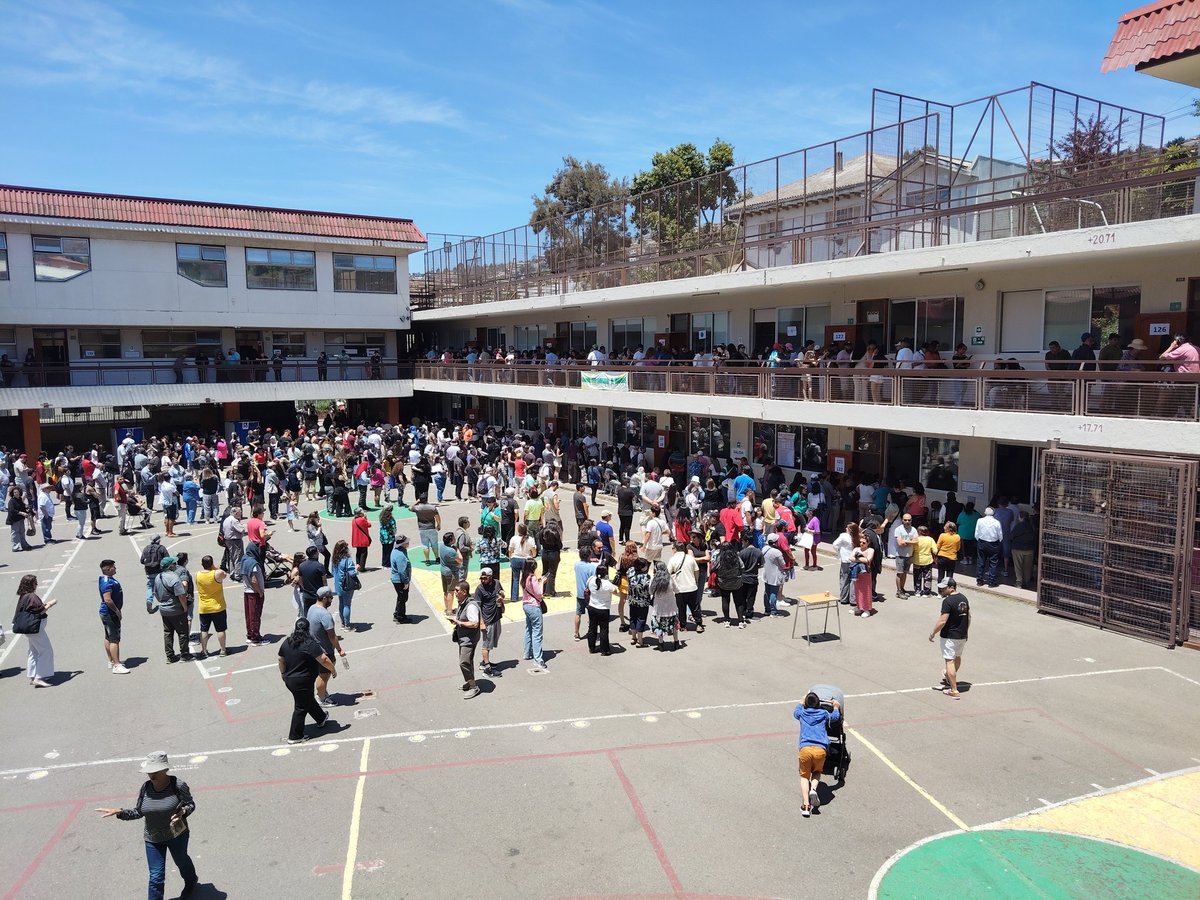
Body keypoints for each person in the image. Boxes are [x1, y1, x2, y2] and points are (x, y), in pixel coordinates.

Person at [95, 751, 199, 899]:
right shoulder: (146, 787)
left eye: (154, 770)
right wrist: (120, 812)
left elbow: (191, 804)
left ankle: (191, 881)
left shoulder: (178, 785)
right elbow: (138, 811)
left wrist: (183, 811)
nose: (151, 774)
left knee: (181, 861)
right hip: (153, 838)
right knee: (156, 877)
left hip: (177, 835)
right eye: (149, 771)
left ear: (164, 769)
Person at [276, 617, 337, 742]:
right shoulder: (310, 644)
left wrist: (283, 673)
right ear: (308, 629)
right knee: (301, 707)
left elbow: (280, 659)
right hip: (303, 681)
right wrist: (333, 669)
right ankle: (295, 736)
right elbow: (324, 659)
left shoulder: (287, 642)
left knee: (306, 698)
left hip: (290, 679)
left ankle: (321, 718)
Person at [794, 692, 841, 818]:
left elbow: (796, 711)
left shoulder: (802, 713)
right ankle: (813, 789)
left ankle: (806, 805)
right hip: (820, 749)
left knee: (804, 776)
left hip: (805, 749)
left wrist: (801, 701)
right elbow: (835, 717)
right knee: (817, 771)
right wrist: (836, 706)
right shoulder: (824, 714)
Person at [930, 577, 970, 699]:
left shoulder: (948, 601)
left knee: (949, 661)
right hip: (961, 636)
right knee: (957, 658)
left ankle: (953, 689)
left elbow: (942, 621)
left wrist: (933, 633)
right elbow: (969, 617)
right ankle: (949, 677)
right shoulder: (964, 598)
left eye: (944, 588)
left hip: (949, 636)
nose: (942, 589)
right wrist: (966, 631)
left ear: (951, 587)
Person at [14, 574, 56, 687]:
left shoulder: (23, 595)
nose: (37, 585)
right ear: (30, 584)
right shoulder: (32, 596)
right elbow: (40, 611)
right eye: (35, 583)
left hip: (28, 629)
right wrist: (51, 604)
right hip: (34, 629)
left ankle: (33, 675)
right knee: (46, 650)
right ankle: (39, 677)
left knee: (33, 651)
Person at [306, 590, 345, 707]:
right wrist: (339, 649)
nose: (332, 600)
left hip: (313, 647)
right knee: (324, 675)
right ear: (324, 598)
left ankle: (322, 693)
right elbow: (332, 636)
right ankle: (321, 699)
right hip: (324, 650)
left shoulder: (312, 608)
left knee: (321, 673)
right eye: (330, 598)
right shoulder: (325, 615)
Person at [153, 556, 192, 663]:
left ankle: (170, 656)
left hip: (164, 609)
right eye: (174, 563)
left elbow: (155, 593)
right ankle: (184, 654)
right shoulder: (174, 578)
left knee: (168, 633)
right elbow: (181, 596)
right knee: (183, 632)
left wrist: (162, 601)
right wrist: (184, 608)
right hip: (175, 609)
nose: (176, 565)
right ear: (171, 566)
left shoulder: (158, 577)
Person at [450, 580, 483, 699]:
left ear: (464, 592)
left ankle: (474, 687)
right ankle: (470, 682)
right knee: (468, 661)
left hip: (469, 639)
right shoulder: (462, 602)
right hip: (463, 637)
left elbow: (474, 624)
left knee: (464, 662)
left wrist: (458, 622)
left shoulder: (471, 606)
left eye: (457, 590)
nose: (455, 592)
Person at [99, 559, 130, 674]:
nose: (115, 568)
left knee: (108, 637)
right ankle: (117, 665)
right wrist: (117, 611)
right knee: (114, 639)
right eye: (113, 567)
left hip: (106, 613)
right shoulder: (108, 582)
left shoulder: (105, 579)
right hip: (110, 613)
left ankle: (111, 660)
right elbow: (107, 599)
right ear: (107, 569)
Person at [195, 555, 229, 658]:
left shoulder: (197, 574)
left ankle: (204, 650)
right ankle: (223, 650)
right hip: (217, 606)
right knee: (220, 629)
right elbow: (224, 574)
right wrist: (214, 567)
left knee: (204, 630)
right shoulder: (216, 573)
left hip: (204, 607)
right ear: (212, 564)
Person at [475, 566, 505, 676]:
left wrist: (501, 597)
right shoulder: (479, 589)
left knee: (492, 641)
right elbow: (477, 608)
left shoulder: (497, 583)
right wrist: (481, 623)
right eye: (481, 578)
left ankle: (484, 662)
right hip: (487, 620)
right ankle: (487, 669)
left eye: (485, 578)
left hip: (496, 617)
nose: (483, 580)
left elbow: (501, 592)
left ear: (490, 577)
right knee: (486, 645)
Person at [668, 539, 702, 629]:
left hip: (679, 589)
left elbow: (667, 573)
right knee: (695, 607)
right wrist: (696, 581)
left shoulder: (672, 559)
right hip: (692, 587)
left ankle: (683, 625)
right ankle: (699, 624)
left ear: (675, 549)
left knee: (681, 608)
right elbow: (696, 571)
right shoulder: (690, 558)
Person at [519, 558, 547, 668]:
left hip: (526, 605)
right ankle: (538, 659)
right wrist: (542, 583)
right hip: (534, 606)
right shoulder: (533, 578)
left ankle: (527, 652)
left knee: (529, 628)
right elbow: (539, 593)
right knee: (537, 632)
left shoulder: (525, 577)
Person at [586, 563, 616, 655]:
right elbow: (615, 590)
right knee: (603, 629)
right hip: (603, 609)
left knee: (592, 627)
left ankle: (591, 647)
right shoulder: (607, 584)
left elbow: (587, 587)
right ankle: (605, 649)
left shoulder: (591, 580)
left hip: (592, 606)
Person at [331, 539, 358, 630]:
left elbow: (332, 572)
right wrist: (356, 568)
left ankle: (343, 622)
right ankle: (347, 625)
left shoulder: (334, 559)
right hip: (346, 585)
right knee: (347, 605)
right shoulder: (347, 559)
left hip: (338, 585)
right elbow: (352, 573)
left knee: (341, 603)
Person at [974, 507, 1003, 587]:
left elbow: (977, 533)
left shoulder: (980, 521)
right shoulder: (996, 522)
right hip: (993, 544)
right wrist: (999, 541)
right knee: (993, 563)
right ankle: (991, 581)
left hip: (982, 542)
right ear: (993, 513)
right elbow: (1000, 534)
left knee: (980, 561)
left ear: (984, 512)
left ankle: (979, 580)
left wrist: (979, 540)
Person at [892, 513, 918, 597]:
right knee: (900, 573)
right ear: (902, 520)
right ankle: (898, 591)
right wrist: (910, 541)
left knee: (905, 573)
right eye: (905, 520)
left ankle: (902, 588)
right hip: (900, 555)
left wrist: (906, 541)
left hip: (909, 555)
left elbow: (916, 542)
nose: (907, 522)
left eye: (909, 520)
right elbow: (899, 543)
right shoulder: (898, 529)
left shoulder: (913, 529)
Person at [851, 533, 875, 618]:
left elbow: (868, 559)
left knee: (866, 591)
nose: (861, 544)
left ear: (868, 543)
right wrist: (861, 559)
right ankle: (859, 606)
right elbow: (850, 557)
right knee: (857, 590)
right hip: (857, 573)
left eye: (864, 543)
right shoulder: (856, 548)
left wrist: (857, 559)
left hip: (865, 574)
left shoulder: (871, 550)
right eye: (860, 542)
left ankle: (866, 609)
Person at [389, 534, 412, 623]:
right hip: (400, 580)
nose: (408, 543)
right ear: (402, 544)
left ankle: (397, 613)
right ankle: (400, 617)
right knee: (403, 598)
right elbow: (401, 571)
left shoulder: (396, 550)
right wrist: (406, 582)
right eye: (406, 542)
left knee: (400, 597)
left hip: (397, 579)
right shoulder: (400, 555)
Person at [414, 498, 440, 564]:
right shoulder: (432, 507)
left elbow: (410, 508)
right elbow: (437, 517)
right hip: (431, 527)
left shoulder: (417, 508)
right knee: (434, 544)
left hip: (422, 529)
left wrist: (416, 502)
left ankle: (427, 560)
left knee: (425, 545)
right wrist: (438, 525)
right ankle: (437, 558)